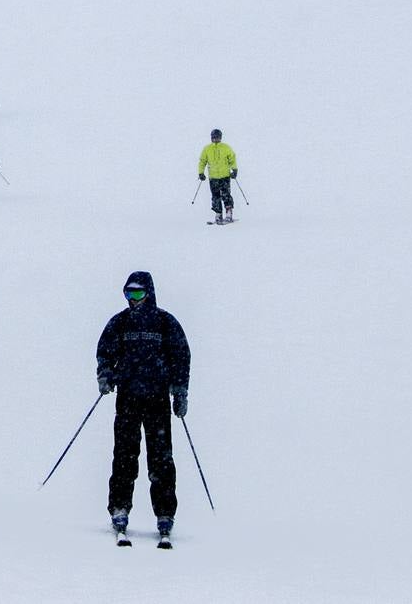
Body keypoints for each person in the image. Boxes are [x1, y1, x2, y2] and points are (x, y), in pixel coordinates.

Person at [96, 270, 190, 546]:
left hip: (157, 399)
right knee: (125, 454)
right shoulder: (120, 322)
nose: (133, 299)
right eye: (129, 293)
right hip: (127, 398)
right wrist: (105, 376)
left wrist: (180, 391)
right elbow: (105, 351)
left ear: (149, 292)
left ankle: (164, 513)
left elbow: (180, 357)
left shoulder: (164, 322)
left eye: (137, 293)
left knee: (160, 458)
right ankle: (120, 508)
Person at [196, 129, 237, 225]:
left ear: (220, 137)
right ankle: (218, 214)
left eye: (217, 137)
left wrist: (234, 170)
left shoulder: (226, 148)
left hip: (225, 176)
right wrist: (201, 173)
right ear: (211, 138)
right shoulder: (207, 149)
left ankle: (229, 214)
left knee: (226, 195)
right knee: (215, 197)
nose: (215, 139)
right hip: (213, 177)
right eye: (213, 137)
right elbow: (202, 161)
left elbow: (232, 158)